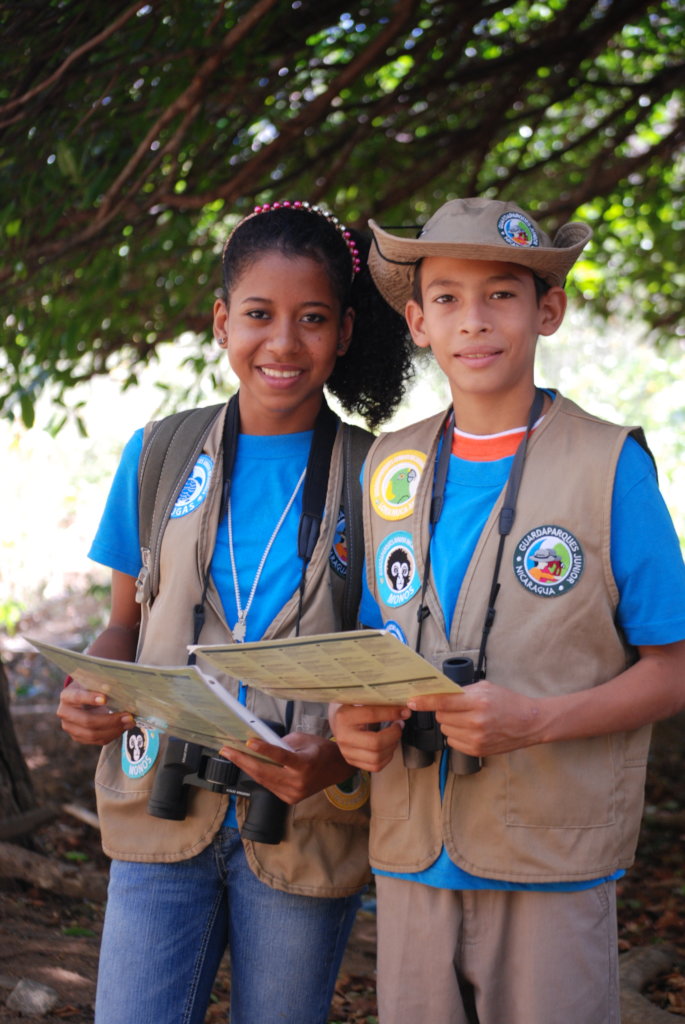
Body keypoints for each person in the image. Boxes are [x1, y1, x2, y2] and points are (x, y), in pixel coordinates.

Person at [330, 196, 685, 1024]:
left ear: (546, 310)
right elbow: (370, 642)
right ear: (416, 321)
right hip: (413, 857)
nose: (473, 320)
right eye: (447, 298)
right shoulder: (388, 465)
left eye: (501, 294)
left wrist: (535, 721)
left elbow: (672, 671)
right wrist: (354, 724)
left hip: (550, 854)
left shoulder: (609, 467)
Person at [57, 199, 413, 1024]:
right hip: (159, 808)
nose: (282, 343)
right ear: (223, 322)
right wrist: (93, 693)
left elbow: (392, 663)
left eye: (312, 319)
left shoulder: (379, 477)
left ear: (346, 333)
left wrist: (332, 760)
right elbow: (126, 622)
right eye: (258, 314)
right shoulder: (160, 453)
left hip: (304, 820)